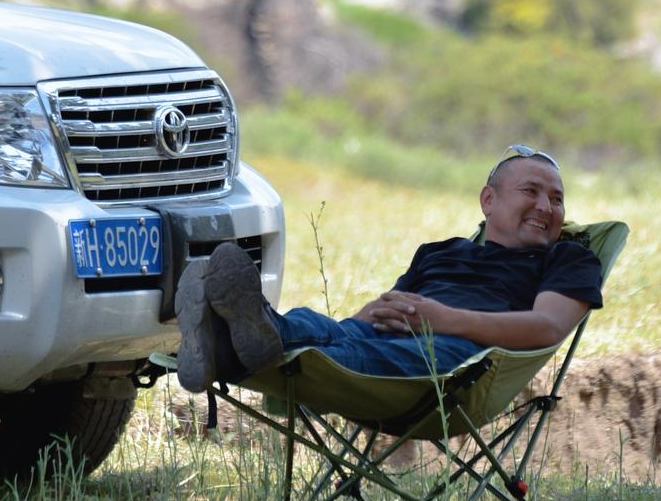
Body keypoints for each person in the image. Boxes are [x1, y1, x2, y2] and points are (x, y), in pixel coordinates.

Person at [174, 145, 603, 393]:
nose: (546, 207)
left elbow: (548, 327)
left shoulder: (569, 258)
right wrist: (363, 318)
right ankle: (240, 337)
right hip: (384, 336)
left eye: (557, 199)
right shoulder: (441, 252)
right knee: (321, 326)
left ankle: (225, 348)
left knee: (348, 354)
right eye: (531, 191)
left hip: (456, 361)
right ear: (488, 201)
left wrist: (443, 320)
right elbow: (384, 309)